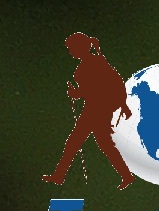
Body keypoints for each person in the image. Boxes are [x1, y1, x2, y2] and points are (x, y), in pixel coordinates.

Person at [44, 30, 137, 187]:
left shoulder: (93, 64)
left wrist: (75, 93)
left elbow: (96, 88)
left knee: (82, 142)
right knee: (96, 143)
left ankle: (59, 176)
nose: (71, 52)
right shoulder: (95, 62)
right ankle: (126, 176)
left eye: (72, 48)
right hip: (95, 108)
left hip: (97, 109)